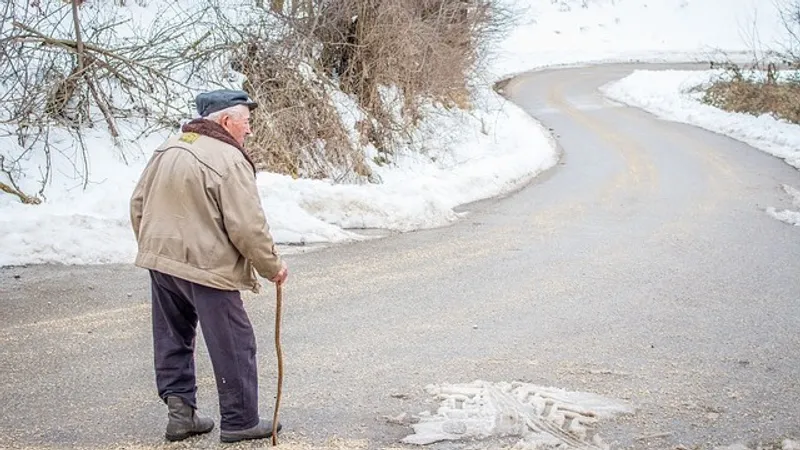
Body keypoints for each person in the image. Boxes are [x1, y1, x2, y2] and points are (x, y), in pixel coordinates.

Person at [129, 89, 288, 443]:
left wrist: (154, 247)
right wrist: (271, 266)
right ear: (227, 121)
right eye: (246, 123)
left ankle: (181, 415)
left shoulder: (168, 147)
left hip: (162, 260)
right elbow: (248, 225)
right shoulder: (229, 159)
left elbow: (138, 203)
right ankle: (241, 421)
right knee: (234, 341)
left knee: (173, 337)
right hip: (206, 266)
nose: (249, 131)